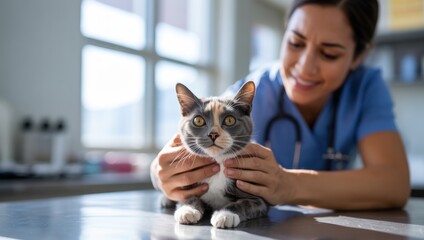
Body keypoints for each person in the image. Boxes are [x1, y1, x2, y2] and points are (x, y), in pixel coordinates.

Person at [150, 0, 410, 210]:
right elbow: (185, 146)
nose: (305, 67)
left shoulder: (365, 87)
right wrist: (159, 174)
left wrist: (289, 185)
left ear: (359, 55)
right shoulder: (254, 91)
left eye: (329, 53)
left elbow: (394, 184)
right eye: (296, 43)